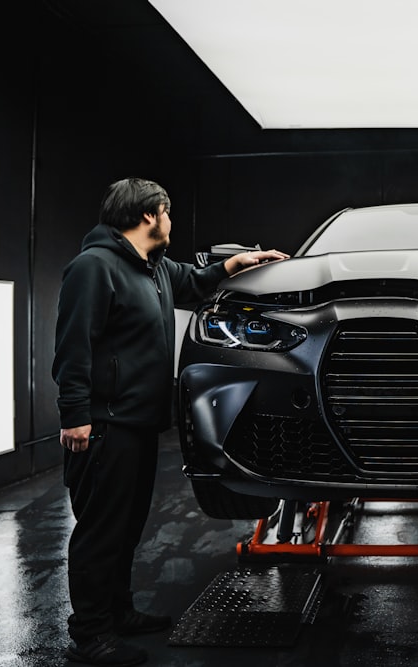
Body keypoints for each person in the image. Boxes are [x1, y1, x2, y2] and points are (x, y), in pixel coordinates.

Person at [52, 177, 289, 665]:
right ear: (150, 215)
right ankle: (90, 634)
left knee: (128, 525)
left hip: (137, 423)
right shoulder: (93, 269)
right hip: (103, 424)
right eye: (169, 213)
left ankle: (119, 612)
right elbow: (73, 349)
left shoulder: (153, 269)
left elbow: (191, 280)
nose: (171, 222)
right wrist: (75, 417)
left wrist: (236, 263)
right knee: (100, 531)